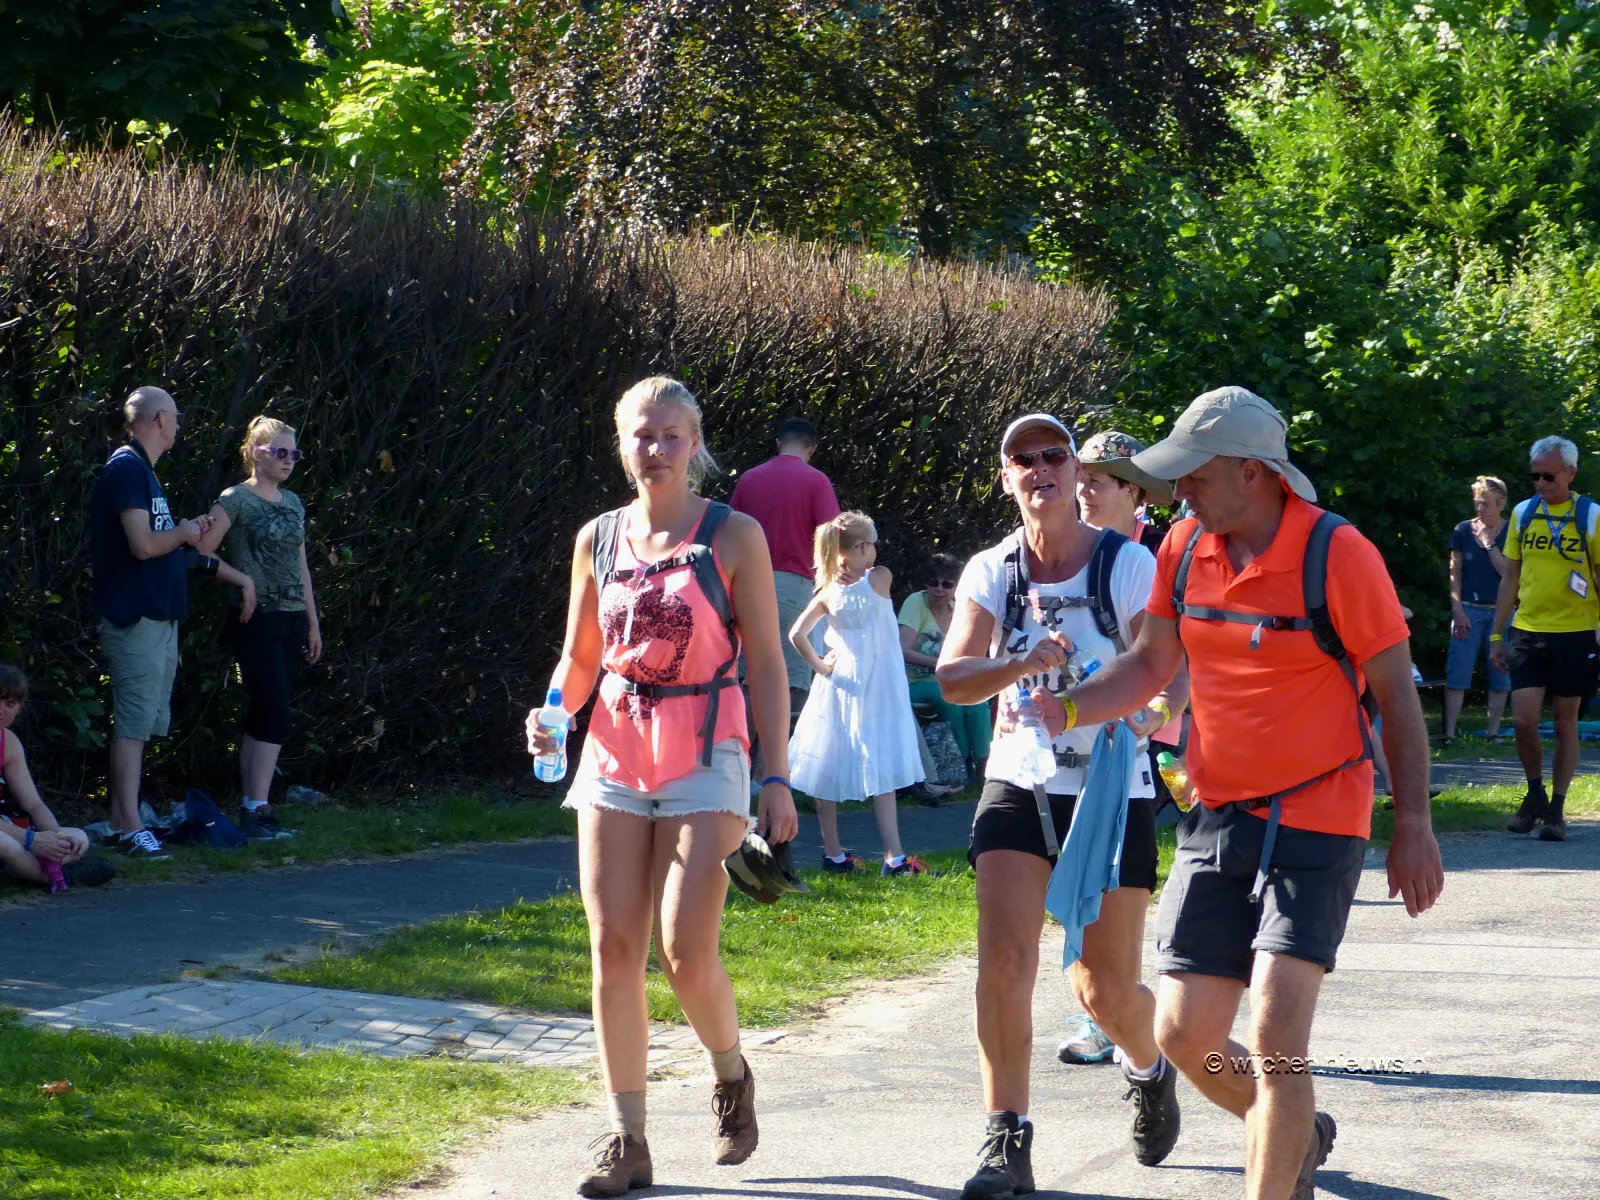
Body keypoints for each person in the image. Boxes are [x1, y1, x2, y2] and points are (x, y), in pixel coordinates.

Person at [1057, 387, 1443, 1200]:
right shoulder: (1184, 546)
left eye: (1193, 474)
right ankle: (1294, 1129)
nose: (1178, 491)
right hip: (1218, 817)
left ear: (1252, 472)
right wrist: (1068, 706)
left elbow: (1398, 703)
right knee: (1184, 1032)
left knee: (1275, 1033)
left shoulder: (1339, 555)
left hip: (1321, 813)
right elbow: (1151, 665)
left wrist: (1414, 825)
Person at [524, 375, 798, 1198]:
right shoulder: (598, 537)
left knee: (685, 950)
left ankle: (730, 1074)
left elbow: (769, 668)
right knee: (612, 947)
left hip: (707, 748)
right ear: (621, 442)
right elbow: (580, 660)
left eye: (670, 436)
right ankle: (627, 1138)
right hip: (611, 748)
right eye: (641, 435)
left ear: (695, 443)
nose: (655, 450)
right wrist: (551, 713)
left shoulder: (733, 534)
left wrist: (777, 778)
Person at [935, 414, 1189, 1200]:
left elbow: (1169, 662)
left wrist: (1152, 714)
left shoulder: (1124, 564)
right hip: (1018, 782)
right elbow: (953, 677)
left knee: (1101, 991)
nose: (1040, 468)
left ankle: (1150, 1069)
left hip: (1112, 788)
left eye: (1054, 455)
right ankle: (1004, 1136)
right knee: (1004, 963)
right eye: (1023, 458)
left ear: (1077, 473)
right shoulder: (993, 570)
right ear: (1006, 477)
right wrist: (1018, 662)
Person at [1060, 428, 1180, 1067]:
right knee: (1085, 889)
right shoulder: (1055, 553)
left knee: (1115, 886)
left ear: (1135, 493)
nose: (1083, 488)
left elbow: (1176, 654)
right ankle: (1110, 1013)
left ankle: (1128, 1023)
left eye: (1098, 479)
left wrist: (1165, 711)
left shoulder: (1151, 559)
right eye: (1081, 475)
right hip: (1064, 755)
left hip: (1135, 750)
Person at [89, 386, 236, 858]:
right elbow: (144, 545)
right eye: (174, 416)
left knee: (144, 723)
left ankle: (117, 823)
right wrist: (184, 533)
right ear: (155, 418)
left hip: (158, 618)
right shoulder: (127, 468)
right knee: (132, 726)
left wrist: (188, 532)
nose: (178, 425)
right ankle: (133, 829)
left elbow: (160, 538)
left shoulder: (145, 474)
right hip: (136, 618)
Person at [194, 416, 322, 840]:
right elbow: (202, 552)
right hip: (254, 616)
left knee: (267, 711)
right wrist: (243, 581)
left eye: (293, 453)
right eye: (279, 452)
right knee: (274, 710)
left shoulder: (294, 503)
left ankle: (254, 807)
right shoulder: (235, 500)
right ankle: (257, 809)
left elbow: (300, 565)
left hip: (289, 617)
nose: (288, 460)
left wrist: (312, 622)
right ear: (254, 453)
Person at [789, 512, 928, 876]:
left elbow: (797, 634)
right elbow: (875, 578)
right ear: (861, 548)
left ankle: (833, 853)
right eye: (871, 545)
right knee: (880, 760)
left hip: (840, 683)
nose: (876, 552)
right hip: (878, 684)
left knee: (828, 761)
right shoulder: (879, 578)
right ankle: (893, 857)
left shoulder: (828, 592)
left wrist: (820, 667)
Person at [1490, 436, 1600, 842]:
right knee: (1523, 720)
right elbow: (1511, 576)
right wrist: (1498, 633)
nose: (1539, 482)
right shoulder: (1523, 513)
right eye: (1534, 474)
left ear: (1570, 473)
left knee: (1566, 721)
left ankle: (1557, 807)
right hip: (1529, 630)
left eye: (1548, 475)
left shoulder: (1591, 516)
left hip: (1576, 633)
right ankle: (1534, 793)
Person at [730, 418, 842, 773]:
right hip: (794, 585)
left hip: (744, 583)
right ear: (812, 447)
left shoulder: (749, 479)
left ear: (778, 442)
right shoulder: (816, 481)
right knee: (790, 682)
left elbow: (728, 532)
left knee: (745, 678)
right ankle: (769, 774)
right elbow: (832, 540)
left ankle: (732, 767)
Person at [0, 665, 117, 890]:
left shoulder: (9, 743)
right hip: (8, 838)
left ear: (19, 709)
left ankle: (28, 868)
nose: (2, 710)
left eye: (10, 703)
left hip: (10, 828)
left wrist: (56, 838)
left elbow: (34, 804)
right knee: (6, 845)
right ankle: (46, 877)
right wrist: (31, 840)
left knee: (78, 837)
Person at [899, 552, 991, 779]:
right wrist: (940, 664)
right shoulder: (915, 603)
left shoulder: (960, 609)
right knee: (948, 699)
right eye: (934, 582)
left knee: (979, 701)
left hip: (950, 678)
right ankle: (961, 762)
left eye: (947, 584)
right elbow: (902, 650)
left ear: (955, 587)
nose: (939, 588)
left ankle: (983, 765)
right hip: (914, 681)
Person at [1444, 476, 1511, 744]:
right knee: (1458, 671)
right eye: (1477, 503)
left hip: (1502, 612)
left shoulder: (1512, 531)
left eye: (1485, 504)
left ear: (1501, 503)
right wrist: (1457, 609)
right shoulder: (1462, 530)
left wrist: (1488, 542)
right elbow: (1454, 573)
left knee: (1501, 673)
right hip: (1469, 611)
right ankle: (1448, 734)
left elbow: (1507, 572)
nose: (1480, 509)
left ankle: (1492, 733)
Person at [1076, 430, 1173, 553]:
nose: (1082, 490)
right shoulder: (1064, 543)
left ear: (1131, 489)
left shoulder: (1162, 550)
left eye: (1094, 480)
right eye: (1079, 479)